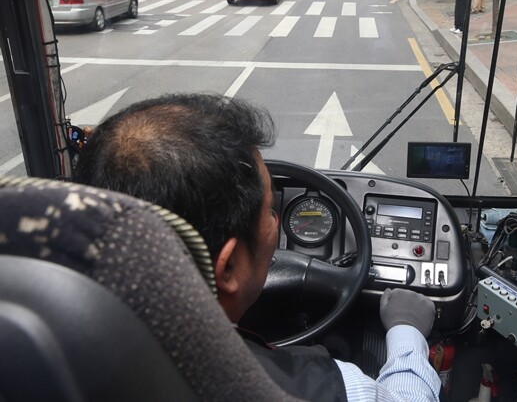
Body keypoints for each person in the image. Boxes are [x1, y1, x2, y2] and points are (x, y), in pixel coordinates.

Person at [73, 93, 442, 402]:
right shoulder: (319, 387)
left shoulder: (42, 344)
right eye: (269, 210)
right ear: (228, 267)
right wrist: (406, 329)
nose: (277, 223)